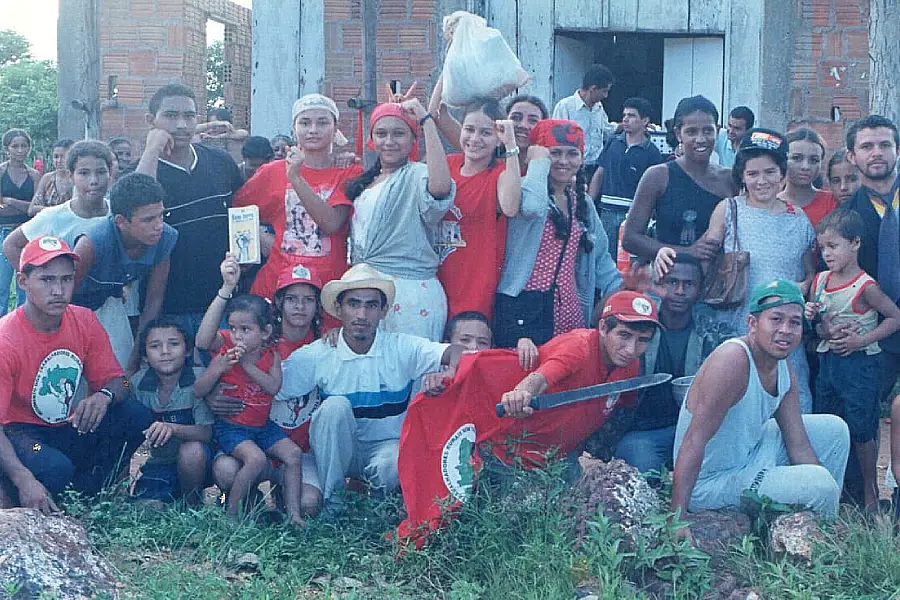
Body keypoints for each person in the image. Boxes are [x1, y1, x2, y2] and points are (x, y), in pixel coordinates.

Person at [276, 263, 464, 509]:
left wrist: (450, 371)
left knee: (392, 462)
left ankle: (376, 512)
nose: (362, 314)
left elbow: (458, 351)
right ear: (340, 309)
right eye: (354, 304)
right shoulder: (319, 353)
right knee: (334, 406)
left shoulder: (400, 346)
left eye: (371, 305)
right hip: (337, 452)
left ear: (384, 310)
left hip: (384, 449)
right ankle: (334, 505)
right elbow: (274, 389)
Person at [671, 280, 850, 535]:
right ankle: (822, 536)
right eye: (776, 319)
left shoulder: (782, 366)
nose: (785, 330)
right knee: (819, 485)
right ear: (752, 324)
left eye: (794, 323)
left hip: (750, 452)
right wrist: (677, 517)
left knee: (834, 430)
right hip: (712, 481)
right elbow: (693, 441)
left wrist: (823, 488)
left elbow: (797, 442)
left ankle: (819, 526)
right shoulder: (733, 360)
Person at [659, 128, 817, 412]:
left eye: (769, 172)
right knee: (737, 402)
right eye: (753, 173)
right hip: (737, 325)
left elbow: (809, 272)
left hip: (783, 328)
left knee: (789, 401)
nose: (762, 181)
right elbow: (702, 256)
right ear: (741, 176)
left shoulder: (799, 218)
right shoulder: (729, 209)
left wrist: (802, 289)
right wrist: (664, 259)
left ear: (782, 174)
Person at [0, 236, 152, 511]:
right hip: (22, 438)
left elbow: (123, 382)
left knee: (136, 415)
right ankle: (19, 490)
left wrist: (104, 395)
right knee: (55, 467)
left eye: (66, 279)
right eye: (47, 280)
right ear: (23, 282)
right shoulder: (5, 339)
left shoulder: (83, 319)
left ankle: (89, 493)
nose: (59, 290)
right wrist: (23, 479)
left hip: (67, 428)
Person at [194, 253, 305, 524]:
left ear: (265, 333)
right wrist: (218, 368)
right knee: (254, 459)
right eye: (233, 328)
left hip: (262, 426)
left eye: (245, 329)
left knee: (293, 454)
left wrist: (247, 366)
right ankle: (232, 517)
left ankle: (293, 514)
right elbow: (198, 384)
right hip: (232, 427)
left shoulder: (271, 354)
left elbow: (273, 387)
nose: (237, 335)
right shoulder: (224, 347)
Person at [495, 119, 621, 347]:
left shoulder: (581, 202)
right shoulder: (523, 189)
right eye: (555, 153)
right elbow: (533, 207)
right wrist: (537, 160)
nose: (564, 161)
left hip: (569, 309)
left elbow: (600, 257)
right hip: (523, 307)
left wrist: (623, 287)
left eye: (572, 154)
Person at [805, 209, 900, 510]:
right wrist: (816, 321)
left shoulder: (865, 286)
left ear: (855, 243)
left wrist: (861, 340)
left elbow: (894, 317)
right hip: (829, 365)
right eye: (823, 247)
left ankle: (871, 495)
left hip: (859, 366)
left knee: (861, 431)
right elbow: (819, 326)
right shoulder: (820, 280)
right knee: (829, 426)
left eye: (833, 246)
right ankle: (834, 491)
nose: (827, 253)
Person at [212, 263, 324, 517]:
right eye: (292, 299)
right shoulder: (254, 341)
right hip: (248, 434)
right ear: (279, 303)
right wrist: (212, 394)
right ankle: (242, 502)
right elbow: (209, 350)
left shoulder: (326, 343)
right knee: (227, 471)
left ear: (318, 306)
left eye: (308, 300)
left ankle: (285, 504)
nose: (299, 306)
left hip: (294, 447)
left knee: (308, 504)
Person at [135, 84, 244, 341]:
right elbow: (138, 201)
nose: (182, 125)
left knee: (222, 378)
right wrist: (152, 150)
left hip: (222, 303)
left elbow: (242, 217)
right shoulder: (141, 171)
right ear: (152, 121)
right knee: (158, 381)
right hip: (165, 311)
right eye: (171, 116)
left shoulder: (220, 162)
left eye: (190, 116)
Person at [234, 94, 361, 304]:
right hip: (277, 285)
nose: (313, 130)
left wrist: (295, 176)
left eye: (322, 122)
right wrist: (253, 245)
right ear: (294, 128)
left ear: (335, 127)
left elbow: (332, 223)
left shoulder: (349, 172)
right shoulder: (272, 171)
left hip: (328, 289)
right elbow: (237, 210)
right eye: (305, 122)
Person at [344, 97, 455, 341]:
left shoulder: (417, 175)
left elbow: (440, 188)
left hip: (409, 294)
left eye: (399, 133)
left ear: (414, 139)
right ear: (372, 139)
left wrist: (426, 121)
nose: (389, 141)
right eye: (381, 134)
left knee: (406, 370)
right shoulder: (367, 181)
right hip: (370, 292)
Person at [614, 254, 730, 473]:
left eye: (689, 284)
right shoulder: (639, 324)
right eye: (672, 282)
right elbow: (599, 325)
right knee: (641, 461)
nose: (679, 291)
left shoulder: (714, 333)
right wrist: (627, 286)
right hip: (646, 431)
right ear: (659, 285)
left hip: (698, 431)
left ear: (700, 289)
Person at [71, 172, 178, 372]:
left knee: (121, 373)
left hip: (110, 303)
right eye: (148, 220)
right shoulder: (92, 243)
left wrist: (135, 359)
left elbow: (153, 302)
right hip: (73, 310)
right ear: (121, 221)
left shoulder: (165, 237)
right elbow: (63, 296)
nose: (158, 226)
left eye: (161, 215)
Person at [427, 97, 521, 319]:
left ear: (498, 138)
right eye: (469, 129)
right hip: (433, 282)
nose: (475, 139)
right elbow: (436, 112)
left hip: (474, 288)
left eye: (486, 133)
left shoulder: (499, 174)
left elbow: (509, 207)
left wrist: (511, 145)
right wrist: (452, 67)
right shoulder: (447, 164)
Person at [623, 96, 736, 263]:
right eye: (691, 132)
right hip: (671, 279)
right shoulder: (658, 177)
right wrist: (686, 252)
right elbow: (630, 238)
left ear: (718, 131)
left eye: (707, 131)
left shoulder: (730, 179)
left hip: (718, 281)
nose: (700, 139)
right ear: (678, 134)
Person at [841, 115, 900, 418]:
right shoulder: (846, 216)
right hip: (876, 334)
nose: (876, 152)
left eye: (884, 144)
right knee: (863, 421)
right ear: (852, 156)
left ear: (897, 151)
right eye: (866, 146)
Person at [130, 317, 214, 504]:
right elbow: (124, 384)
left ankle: (192, 505)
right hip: (161, 462)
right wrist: (122, 381)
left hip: (203, 462)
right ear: (144, 356)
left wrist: (173, 428)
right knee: (147, 509)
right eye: (155, 346)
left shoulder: (199, 380)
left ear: (188, 350)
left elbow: (207, 432)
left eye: (174, 344)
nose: (165, 352)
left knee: (191, 450)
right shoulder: (136, 382)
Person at [4, 141, 114, 272]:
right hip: (66, 292)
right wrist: (37, 282)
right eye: (84, 173)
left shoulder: (118, 213)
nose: (94, 180)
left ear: (110, 173)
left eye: (101, 172)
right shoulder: (53, 216)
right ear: (71, 176)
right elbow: (11, 245)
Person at [588, 96, 664, 202]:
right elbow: (600, 174)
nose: (625, 119)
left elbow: (654, 186)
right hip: (607, 208)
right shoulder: (613, 142)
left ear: (645, 120)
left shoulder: (652, 152)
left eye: (631, 115)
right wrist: (589, 203)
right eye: (624, 115)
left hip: (633, 212)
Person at [551, 64, 617, 183]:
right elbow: (557, 140)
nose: (606, 96)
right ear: (593, 89)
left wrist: (626, 126)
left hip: (596, 169)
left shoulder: (599, 108)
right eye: (604, 91)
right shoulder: (565, 107)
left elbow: (607, 131)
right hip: (575, 169)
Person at [0, 129, 40, 315]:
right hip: (4, 231)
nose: (20, 150)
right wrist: (22, 207)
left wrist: (11, 201)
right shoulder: (1, 172)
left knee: (25, 282)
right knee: (2, 285)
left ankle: (22, 323)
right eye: (15, 146)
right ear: (7, 148)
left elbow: (36, 208)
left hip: (26, 233)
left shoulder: (34, 176)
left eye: (24, 146)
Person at [777, 127, 837, 229]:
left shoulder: (833, 202)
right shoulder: (770, 203)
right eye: (796, 158)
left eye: (814, 160)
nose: (806, 166)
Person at [30, 139, 75, 215]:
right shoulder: (47, 179)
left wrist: (43, 208)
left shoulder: (77, 179)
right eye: (56, 157)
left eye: (64, 157)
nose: (59, 160)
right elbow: (31, 209)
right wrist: (59, 211)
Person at [507, 95, 550, 175]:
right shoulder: (488, 162)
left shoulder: (551, 168)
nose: (523, 125)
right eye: (516, 118)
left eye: (533, 121)